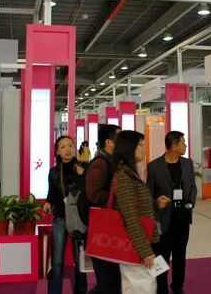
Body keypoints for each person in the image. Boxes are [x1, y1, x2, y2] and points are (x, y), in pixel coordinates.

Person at [147, 131, 197, 294]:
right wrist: (156, 203)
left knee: (180, 254)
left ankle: (178, 286)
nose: (186, 146)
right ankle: (160, 288)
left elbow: (192, 187)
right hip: (163, 219)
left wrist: (190, 203)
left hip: (182, 216)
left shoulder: (187, 164)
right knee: (160, 255)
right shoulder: (154, 166)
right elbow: (149, 194)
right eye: (183, 143)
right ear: (174, 146)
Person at [113, 131, 159, 293]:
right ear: (129, 147)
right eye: (141, 144)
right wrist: (145, 252)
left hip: (137, 244)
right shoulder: (124, 177)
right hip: (133, 247)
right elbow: (130, 218)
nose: (143, 148)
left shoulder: (130, 174)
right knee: (142, 287)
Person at [43, 136, 88, 294]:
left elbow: (88, 193)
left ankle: (81, 291)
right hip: (60, 219)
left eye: (70, 145)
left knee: (79, 260)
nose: (67, 149)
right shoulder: (54, 172)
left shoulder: (83, 168)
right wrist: (48, 203)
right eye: (63, 147)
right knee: (57, 261)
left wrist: (82, 175)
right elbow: (51, 194)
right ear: (57, 151)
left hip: (79, 220)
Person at [86, 124, 122, 294]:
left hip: (110, 229)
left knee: (111, 280)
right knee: (107, 282)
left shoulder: (112, 162)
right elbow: (93, 195)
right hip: (102, 230)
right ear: (108, 142)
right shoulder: (100, 163)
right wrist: (117, 198)